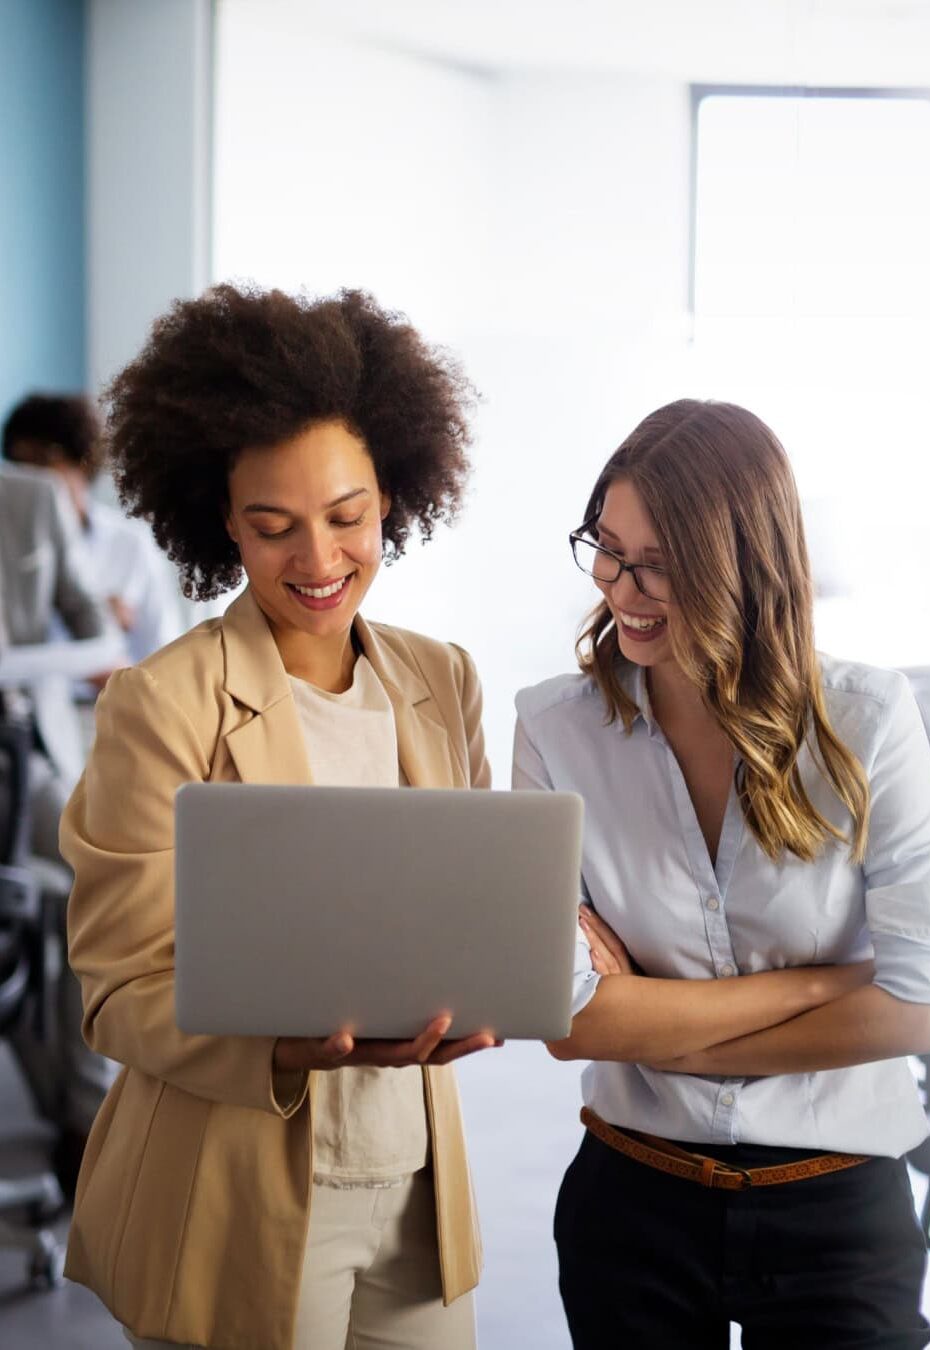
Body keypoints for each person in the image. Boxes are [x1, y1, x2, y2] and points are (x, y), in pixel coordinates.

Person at [59, 284, 497, 1349]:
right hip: (232, 1189)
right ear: (223, 522)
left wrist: (488, 986)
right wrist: (282, 1048)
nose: (318, 561)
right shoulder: (162, 704)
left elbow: (471, 906)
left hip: (416, 1189)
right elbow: (117, 988)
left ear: (391, 498)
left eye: (347, 518)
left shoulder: (441, 681)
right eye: (273, 527)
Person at [514, 399, 930, 1350]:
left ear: (745, 566)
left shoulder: (870, 721)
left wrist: (664, 1034)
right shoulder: (555, 731)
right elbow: (571, 1021)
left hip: (837, 1212)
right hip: (631, 1210)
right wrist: (823, 986)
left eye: (659, 564)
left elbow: (922, 1012)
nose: (622, 588)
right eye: (607, 550)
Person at [0, 445, 126, 1190]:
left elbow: (101, 634)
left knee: (104, 877)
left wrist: (32, 664)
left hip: (21, 751)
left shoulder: (34, 499)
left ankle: (86, 1115)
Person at [4, 392, 182, 665]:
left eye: (43, 461)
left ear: (81, 460)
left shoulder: (130, 543)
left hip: (120, 685)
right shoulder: (12, 542)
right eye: (20, 466)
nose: (33, 477)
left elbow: (164, 648)